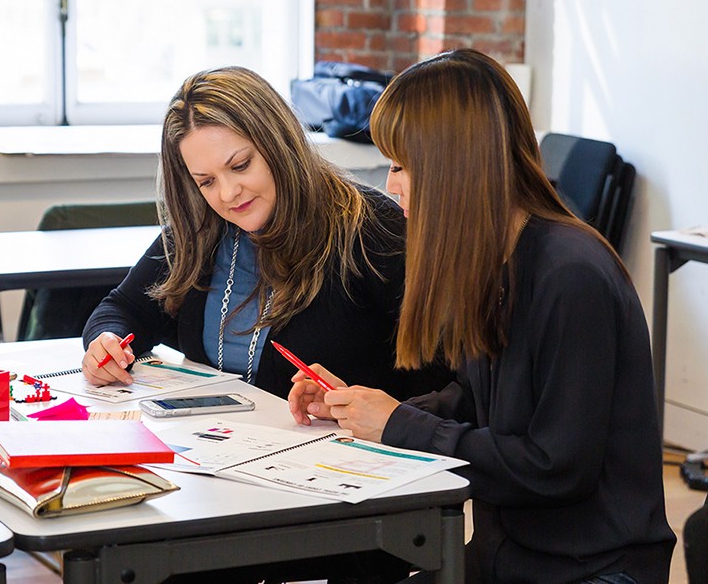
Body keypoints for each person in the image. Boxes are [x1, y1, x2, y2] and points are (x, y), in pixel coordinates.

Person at [288, 49, 676, 583]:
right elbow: (474, 402)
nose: (391, 184)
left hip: (590, 570)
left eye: (400, 165)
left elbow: (556, 469)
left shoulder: (571, 275)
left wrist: (400, 426)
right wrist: (360, 411)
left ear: (454, 164)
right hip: (510, 557)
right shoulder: (493, 262)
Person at [81, 66, 451, 583]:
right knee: (129, 546)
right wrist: (103, 342)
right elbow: (123, 309)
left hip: (343, 495)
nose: (228, 193)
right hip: (225, 476)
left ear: (277, 143)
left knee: (158, 559)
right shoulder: (201, 230)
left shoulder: (368, 228)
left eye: (240, 165)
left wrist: (369, 405)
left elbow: (447, 373)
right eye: (206, 181)